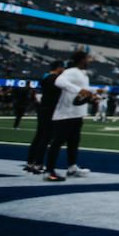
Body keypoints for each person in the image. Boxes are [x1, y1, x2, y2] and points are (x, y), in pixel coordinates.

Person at [44, 50, 99, 182]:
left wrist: (93, 94)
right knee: (57, 142)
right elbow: (59, 82)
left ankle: (72, 167)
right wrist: (80, 90)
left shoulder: (83, 74)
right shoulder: (71, 71)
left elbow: (81, 93)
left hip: (77, 113)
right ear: (81, 59)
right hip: (65, 114)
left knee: (74, 143)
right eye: (88, 58)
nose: (90, 61)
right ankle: (49, 171)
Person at [24, 60, 66, 174]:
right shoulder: (54, 79)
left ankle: (30, 162)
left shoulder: (45, 78)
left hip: (43, 109)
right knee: (46, 137)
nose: (64, 70)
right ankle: (38, 164)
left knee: (39, 136)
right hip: (50, 110)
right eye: (63, 68)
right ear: (59, 68)